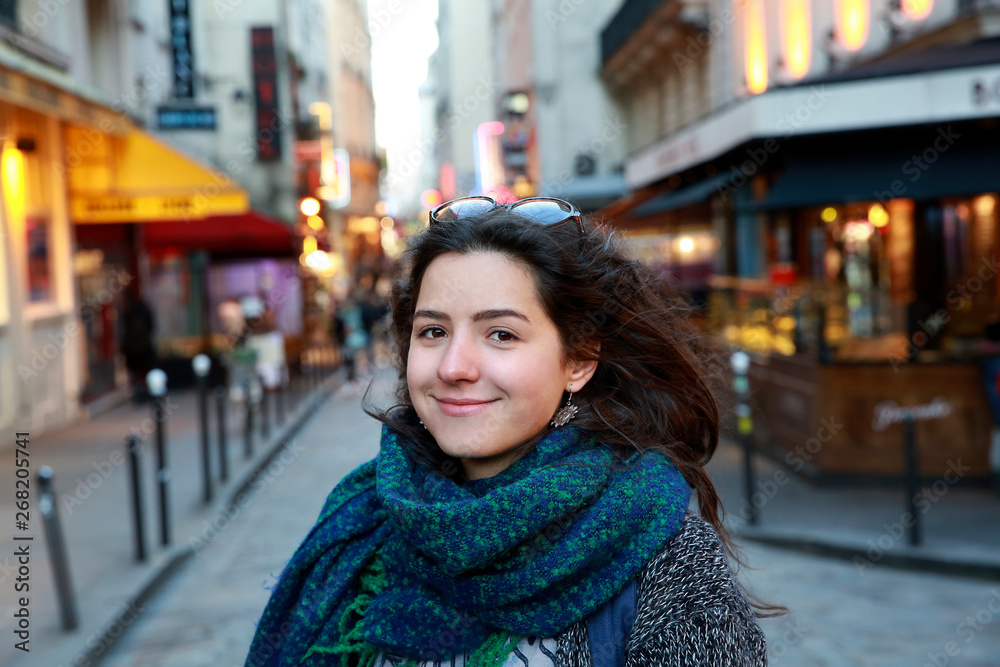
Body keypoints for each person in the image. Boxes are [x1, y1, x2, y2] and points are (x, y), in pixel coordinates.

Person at [245, 196, 773, 666]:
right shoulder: (361, 517)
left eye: (500, 334)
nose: (454, 366)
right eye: (433, 331)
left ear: (579, 360)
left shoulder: (657, 546)